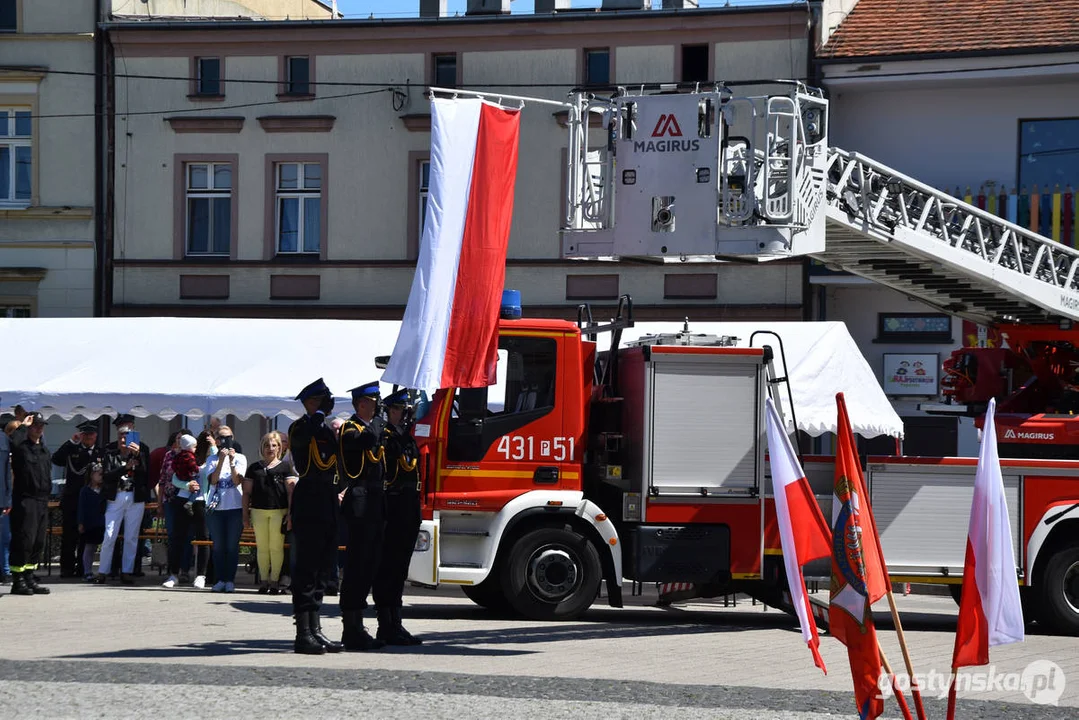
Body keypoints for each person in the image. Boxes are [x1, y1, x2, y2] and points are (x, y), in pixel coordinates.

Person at [287, 378, 344, 655]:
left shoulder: (326, 430)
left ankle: (316, 629)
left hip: (328, 499)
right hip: (308, 498)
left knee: (323, 568)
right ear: (311, 402)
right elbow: (303, 441)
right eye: (320, 400)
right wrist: (318, 415)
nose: (325, 405)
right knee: (306, 569)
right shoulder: (300, 427)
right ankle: (303, 633)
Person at [337, 381, 387, 652]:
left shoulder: (373, 427)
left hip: (375, 503)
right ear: (361, 404)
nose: (378, 406)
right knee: (357, 566)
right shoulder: (351, 428)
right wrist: (380, 422)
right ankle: (351, 627)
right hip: (359, 503)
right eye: (373, 401)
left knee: (370, 563)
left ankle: (360, 624)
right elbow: (369, 440)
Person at [372, 389, 424, 646]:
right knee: (389, 567)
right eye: (396, 410)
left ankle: (396, 621)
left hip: (408, 506)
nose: (401, 414)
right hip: (393, 506)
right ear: (387, 410)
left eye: (404, 410)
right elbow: (390, 471)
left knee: (400, 567)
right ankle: (385, 622)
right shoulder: (386, 438)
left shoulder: (406, 437)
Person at [96, 415, 150, 585]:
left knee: (131, 537)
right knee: (109, 535)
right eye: (120, 436)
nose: (123, 439)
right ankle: (102, 571)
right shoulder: (110, 452)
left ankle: (127, 571)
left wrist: (138, 455)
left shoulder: (142, 450)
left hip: (135, 497)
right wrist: (124, 468)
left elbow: (146, 473)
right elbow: (106, 475)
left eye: (126, 436)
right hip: (116, 496)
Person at [242, 432, 295, 594]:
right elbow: (246, 493)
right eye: (266, 445)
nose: (270, 448)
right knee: (263, 548)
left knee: (276, 548)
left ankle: (274, 581)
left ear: (280, 448)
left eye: (274, 445)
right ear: (261, 448)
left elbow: (290, 493)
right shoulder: (254, 468)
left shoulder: (286, 467)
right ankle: (264, 581)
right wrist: (245, 516)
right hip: (258, 511)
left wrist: (290, 514)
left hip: (279, 512)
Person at [51, 420, 104, 578]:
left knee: (86, 536)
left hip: (91, 501)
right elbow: (56, 459)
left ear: (96, 436)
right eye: (85, 434)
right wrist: (71, 442)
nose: (88, 437)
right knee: (69, 536)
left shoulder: (101, 453)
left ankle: (82, 568)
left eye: (91, 434)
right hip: (72, 499)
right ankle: (67, 568)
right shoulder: (72, 449)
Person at [8, 413, 53, 595]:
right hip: (26, 499)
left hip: (42, 500)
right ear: (28, 428)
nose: (39, 429)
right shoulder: (21, 447)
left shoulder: (43, 450)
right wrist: (21, 427)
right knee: (24, 540)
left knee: (38, 542)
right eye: (35, 426)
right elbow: (12, 442)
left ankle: (29, 576)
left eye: (41, 426)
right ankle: (17, 580)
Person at [203, 427, 246, 593]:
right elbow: (213, 481)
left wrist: (232, 460)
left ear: (233, 438)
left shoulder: (240, 457)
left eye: (228, 437)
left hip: (235, 507)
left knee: (231, 546)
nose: (224, 440)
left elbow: (237, 481)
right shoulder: (211, 459)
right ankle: (220, 579)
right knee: (219, 546)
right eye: (221, 437)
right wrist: (221, 460)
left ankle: (230, 580)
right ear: (216, 439)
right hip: (216, 508)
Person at [164, 433, 208, 589]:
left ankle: (201, 575)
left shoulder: (211, 459)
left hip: (201, 500)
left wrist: (215, 446)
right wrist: (186, 485)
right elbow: (175, 478)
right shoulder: (186, 457)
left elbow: (209, 479)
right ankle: (173, 574)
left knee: (202, 537)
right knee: (177, 537)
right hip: (182, 499)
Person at [78, 462, 107, 581]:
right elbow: (81, 507)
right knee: (89, 547)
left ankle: (105, 570)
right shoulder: (85, 491)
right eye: (98, 473)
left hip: (103, 522)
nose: (101, 476)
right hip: (90, 523)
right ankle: (87, 571)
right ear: (91, 475)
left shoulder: (105, 490)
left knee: (106, 546)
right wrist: (80, 523)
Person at [0, 408, 13, 585]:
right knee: (5, 536)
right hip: (5, 497)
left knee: (6, 536)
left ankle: (6, 569)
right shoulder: (4, 443)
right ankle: (5, 570)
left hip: (8, 496)